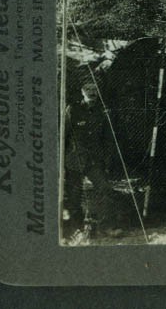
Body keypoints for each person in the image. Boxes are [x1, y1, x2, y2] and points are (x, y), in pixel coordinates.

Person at [62, 82, 114, 236]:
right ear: (82, 92)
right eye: (88, 89)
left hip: (94, 161)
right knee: (74, 196)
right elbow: (63, 136)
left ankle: (104, 227)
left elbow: (107, 139)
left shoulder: (102, 111)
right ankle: (76, 230)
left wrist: (107, 160)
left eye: (94, 89)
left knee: (105, 189)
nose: (92, 92)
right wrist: (61, 163)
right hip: (74, 160)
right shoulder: (73, 110)